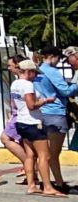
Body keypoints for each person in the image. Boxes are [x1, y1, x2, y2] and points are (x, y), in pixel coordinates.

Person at [12, 58, 55, 195]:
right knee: (44, 155)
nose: (35, 75)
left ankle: (31, 185)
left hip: (21, 121)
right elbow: (32, 105)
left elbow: (15, 104)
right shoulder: (27, 85)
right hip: (33, 122)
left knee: (30, 155)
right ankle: (47, 187)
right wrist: (44, 101)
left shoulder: (15, 84)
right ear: (29, 72)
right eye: (34, 73)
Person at [32, 49, 73, 193]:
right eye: (58, 59)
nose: (59, 62)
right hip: (55, 112)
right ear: (52, 57)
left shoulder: (37, 71)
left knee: (45, 152)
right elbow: (65, 91)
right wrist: (75, 85)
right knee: (53, 153)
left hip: (42, 113)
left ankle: (53, 182)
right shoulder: (52, 71)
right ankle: (55, 183)